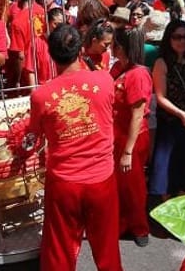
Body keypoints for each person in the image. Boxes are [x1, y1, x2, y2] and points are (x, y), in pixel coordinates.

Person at [27, 24, 122, 271]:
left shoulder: (41, 95)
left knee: (59, 251)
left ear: (51, 53)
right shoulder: (104, 80)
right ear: (81, 49)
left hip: (64, 182)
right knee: (107, 249)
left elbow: (33, 135)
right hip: (101, 179)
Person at [150, 20, 185, 200]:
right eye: (177, 37)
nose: (182, 41)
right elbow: (160, 97)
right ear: (169, 38)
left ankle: (183, 207)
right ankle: (165, 211)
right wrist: (180, 114)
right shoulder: (162, 62)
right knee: (167, 171)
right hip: (171, 122)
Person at [110, 27, 151, 246]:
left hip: (132, 139)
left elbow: (137, 115)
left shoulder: (138, 75)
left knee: (133, 186)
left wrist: (128, 151)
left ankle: (139, 228)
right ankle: (123, 224)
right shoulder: (118, 68)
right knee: (120, 185)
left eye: (114, 43)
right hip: (117, 136)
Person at [6, 0, 50, 88]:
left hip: (27, 70)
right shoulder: (42, 11)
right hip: (45, 63)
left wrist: (17, 79)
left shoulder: (17, 22)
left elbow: (20, 56)